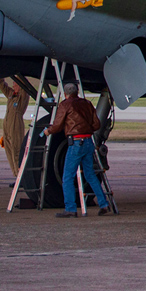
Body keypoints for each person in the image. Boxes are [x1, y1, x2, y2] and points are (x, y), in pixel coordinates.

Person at [42, 82, 114, 217]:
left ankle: (70, 208)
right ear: (77, 92)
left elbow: (57, 126)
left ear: (65, 93)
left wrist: (48, 131)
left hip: (76, 143)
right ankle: (104, 204)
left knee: (67, 177)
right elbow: (97, 124)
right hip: (88, 142)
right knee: (90, 175)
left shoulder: (65, 105)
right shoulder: (86, 103)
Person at [0, 77, 30, 178]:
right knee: (9, 150)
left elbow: (25, 85)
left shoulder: (23, 96)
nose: (13, 85)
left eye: (15, 83)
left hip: (16, 124)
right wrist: (0, 75)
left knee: (17, 150)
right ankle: (16, 175)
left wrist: (19, 73)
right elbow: (1, 85)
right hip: (7, 124)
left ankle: (21, 176)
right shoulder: (11, 94)